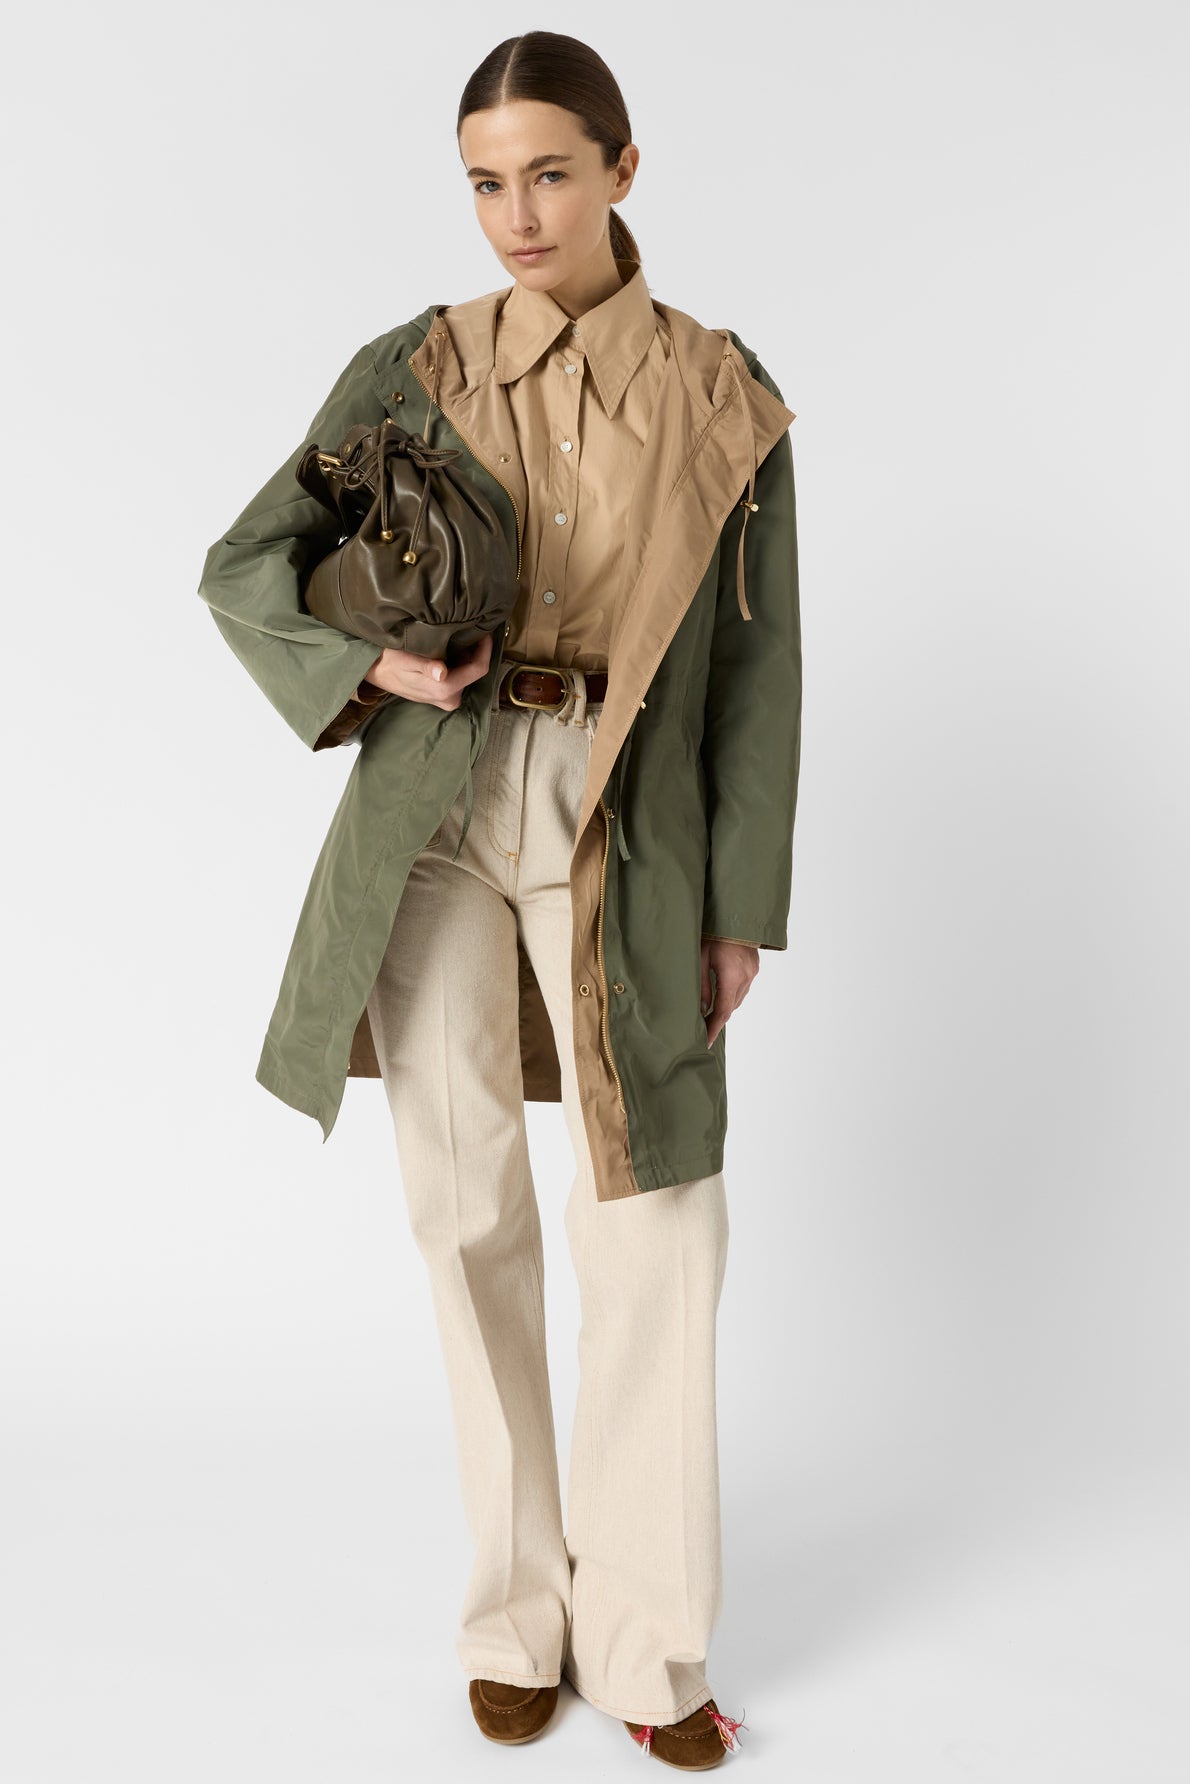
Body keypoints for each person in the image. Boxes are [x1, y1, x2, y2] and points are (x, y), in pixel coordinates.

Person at [197, 29, 801, 1771]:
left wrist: (738, 905)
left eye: (547, 173)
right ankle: (514, 1617)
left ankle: (647, 1643)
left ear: (622, 168)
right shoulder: (416, 365)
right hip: (438, 809)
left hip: (628, 823)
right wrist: (373, 664)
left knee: (657, 1225)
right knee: (463, 1211)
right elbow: (243, 567)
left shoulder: (719, 389)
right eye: (483, 182)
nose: (515, 215)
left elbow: (759, 664)